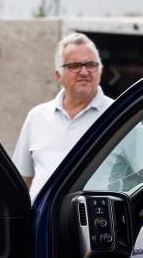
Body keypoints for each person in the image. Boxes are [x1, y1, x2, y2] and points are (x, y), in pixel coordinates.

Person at [13, 33, 112, 199]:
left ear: (100, 71)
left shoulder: (117, 115)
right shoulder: (37, 117)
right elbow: (22, 179)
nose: (84, 71)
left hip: (96, 221)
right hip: (42, 221)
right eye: (75, 65)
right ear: (58, 75)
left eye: (91, 64)